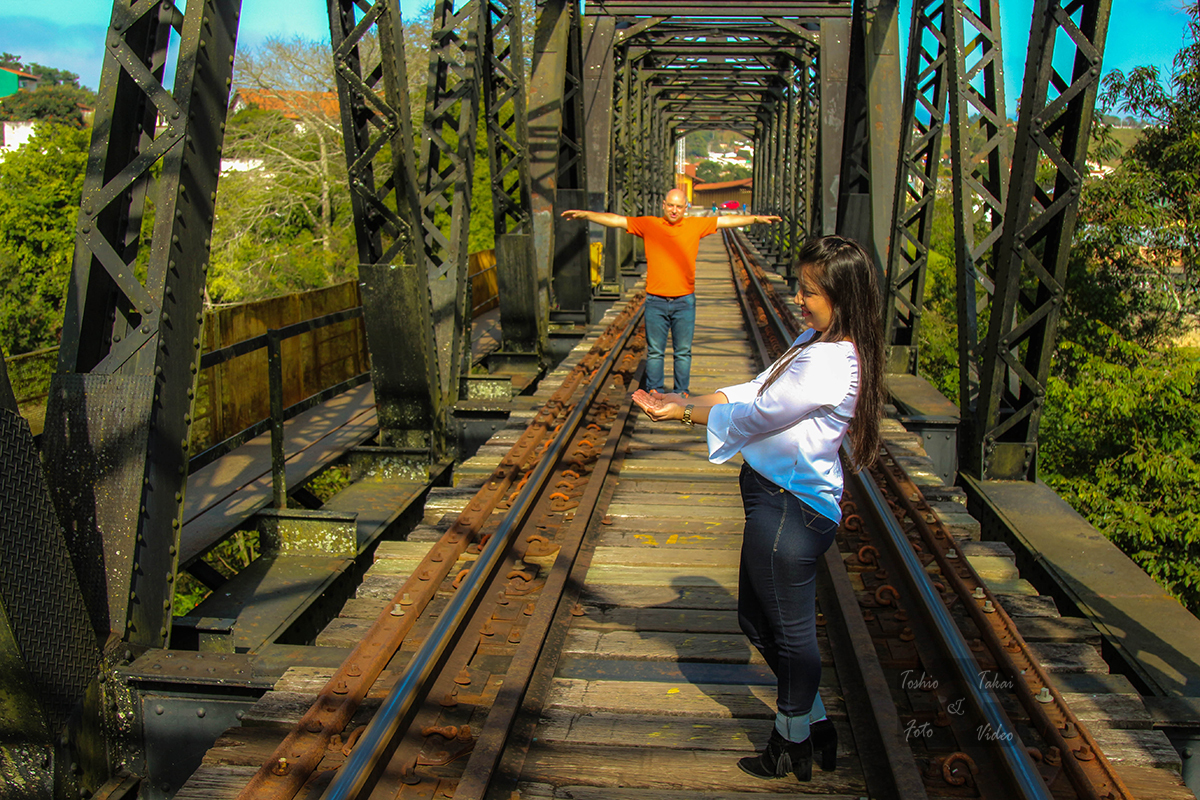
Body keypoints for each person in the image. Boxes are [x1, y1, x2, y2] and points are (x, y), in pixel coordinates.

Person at [631, 235, 885, 783]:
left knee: (792, 634)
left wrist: (680, 416)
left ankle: (787, 741)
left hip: (793, 510)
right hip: (775, 503)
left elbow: (759, 414)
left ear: (842, 297)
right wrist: (690, 399)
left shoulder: (828, 363)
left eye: (809, 291)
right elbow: (757, 385)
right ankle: (814, 723)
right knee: (755, 620)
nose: (798, 298)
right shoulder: (813, 342)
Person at [562, 188, 779, 396]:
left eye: (679, 206)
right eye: (670, 205)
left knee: (682, 352)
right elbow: (618, 220)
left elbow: (727, 221)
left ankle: (681, 392)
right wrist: (588, 215)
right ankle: (655, 390)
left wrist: (756, 219)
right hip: (655, 300)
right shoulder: (649, 225)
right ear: (663, 205)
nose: (674, 210)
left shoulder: (696, 225)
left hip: (684, 301)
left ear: (686, 208)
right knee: (655, 351)